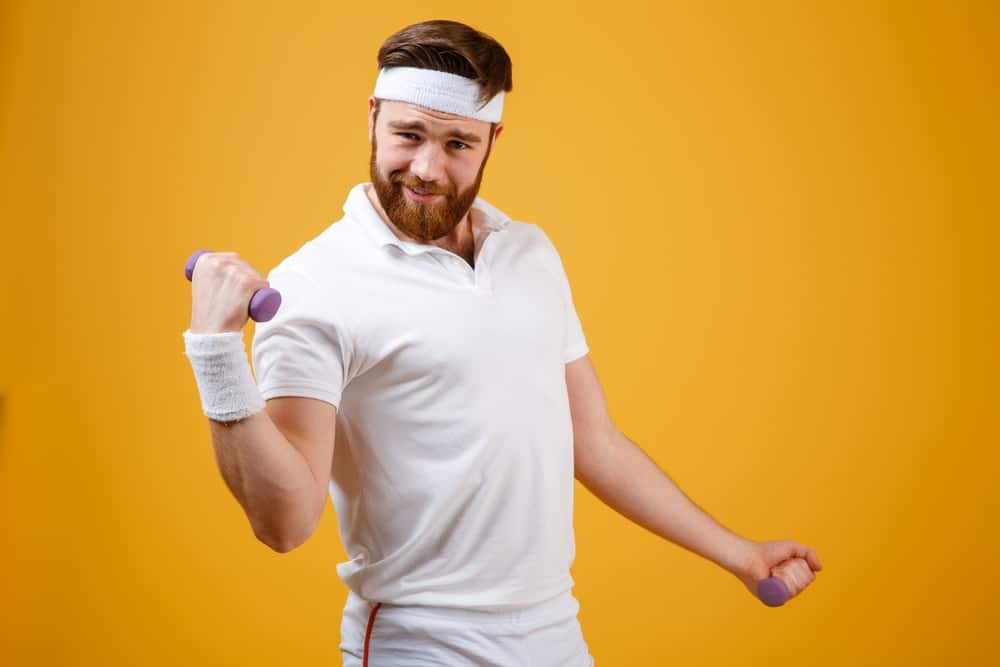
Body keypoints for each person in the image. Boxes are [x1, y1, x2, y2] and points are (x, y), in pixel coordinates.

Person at [183, 19, 823, 667]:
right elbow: (284, 523)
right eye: (408, 135)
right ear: (372, 117)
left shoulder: (529, 254)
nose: (426, 169)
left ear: (493, 140)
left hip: (554, 634)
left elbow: (593, 441)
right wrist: (216, 353)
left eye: (457, 142)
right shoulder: (317, 285)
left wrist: (738, 553)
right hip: (422, 644)